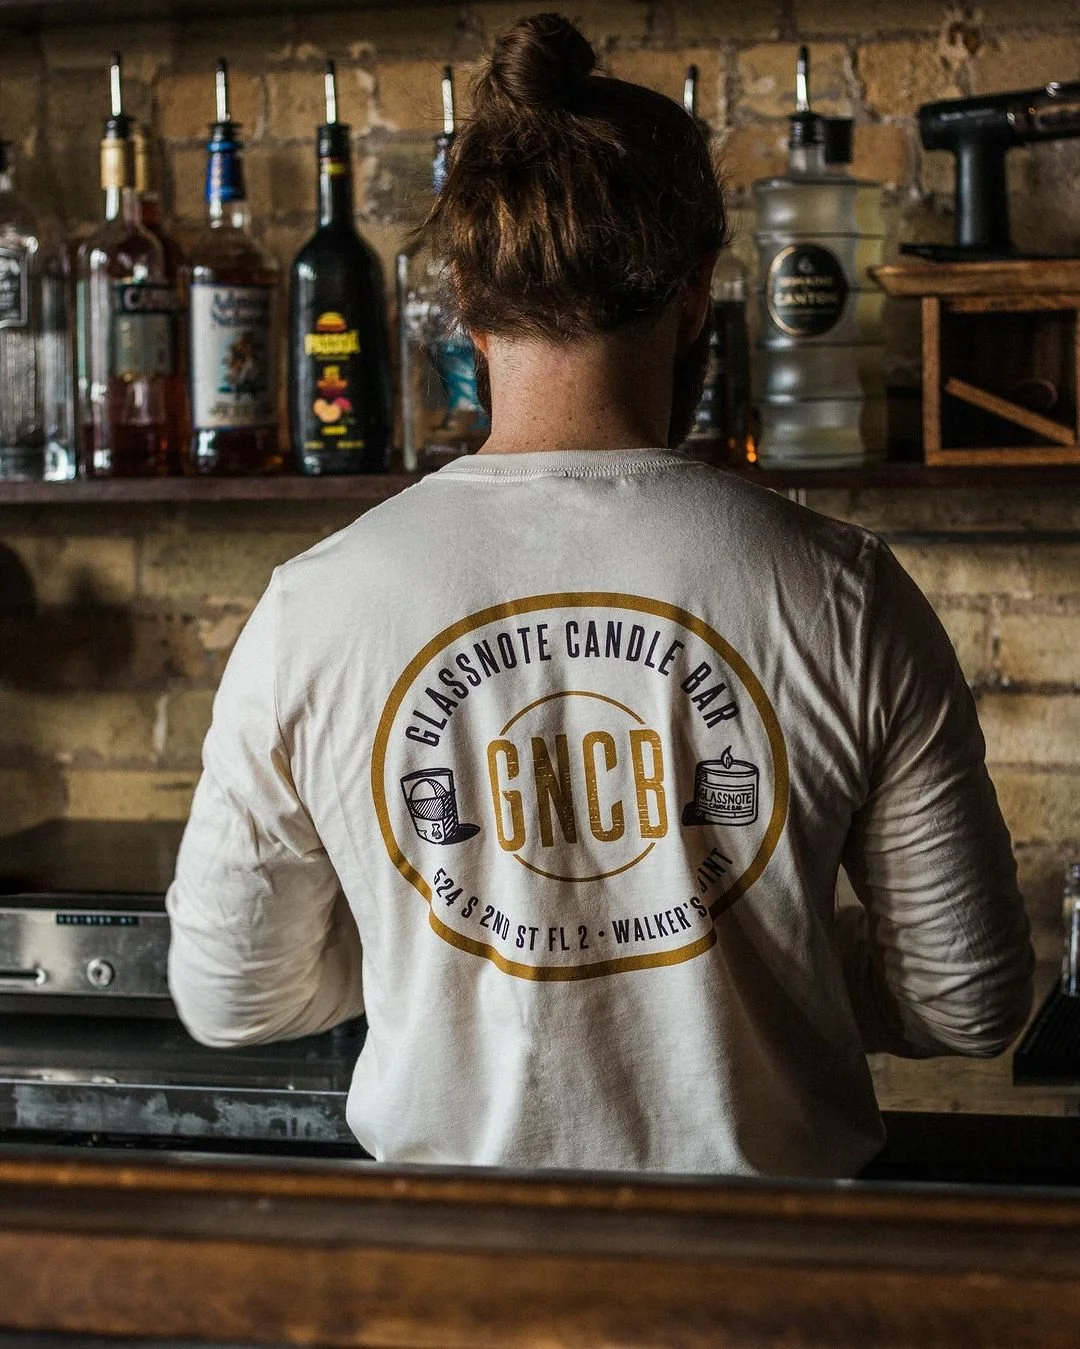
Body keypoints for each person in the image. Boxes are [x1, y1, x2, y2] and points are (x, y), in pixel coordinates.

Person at [167, 13, 1034, 1177]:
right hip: (777, 1290)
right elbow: (967, 1001)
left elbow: (231, 994)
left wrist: (419, 946)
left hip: (451, 1291)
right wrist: (767, 960)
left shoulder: (312, 608)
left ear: (466, 297)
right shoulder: (848, 593)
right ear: (694, 296)